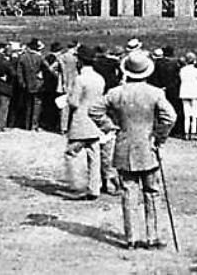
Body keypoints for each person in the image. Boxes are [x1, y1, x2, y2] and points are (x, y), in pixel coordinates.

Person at [89, 51, 177, 250]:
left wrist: (110, 126)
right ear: (147, 71)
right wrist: (159, 136)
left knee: (129, 191)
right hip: (148, 147)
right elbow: (170, 117)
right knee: (152, 192)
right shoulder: (155, 93)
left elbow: (94, 110)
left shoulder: (116, 92)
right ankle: (152, 237)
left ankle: (131, 238)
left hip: (124, 145)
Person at [64, 46, 105, 200]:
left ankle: (77, 184)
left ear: (80, 61)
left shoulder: (80, 79)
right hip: (95, 120)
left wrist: (68, 97)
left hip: (81, 120)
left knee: (71, 153)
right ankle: (94, 188)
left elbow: (74, 102)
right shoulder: (99, 78)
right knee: (95, 156)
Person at [17, 38, 49, 131]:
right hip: (38, 84)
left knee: (28, 105)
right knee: (37, 106)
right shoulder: (39, 57)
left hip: (27, 85)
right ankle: (34, 125)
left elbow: (19, 73)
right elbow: (47, 69)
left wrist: (22, 83)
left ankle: (27, 125)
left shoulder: (22, 57)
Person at [178, 52, 197, 141]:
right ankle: (193, 132)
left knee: (187, 114)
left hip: (185, 92)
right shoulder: (196, 71)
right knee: (194, 114)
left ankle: (186, 132)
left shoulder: (182, 70)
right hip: (195, 93)